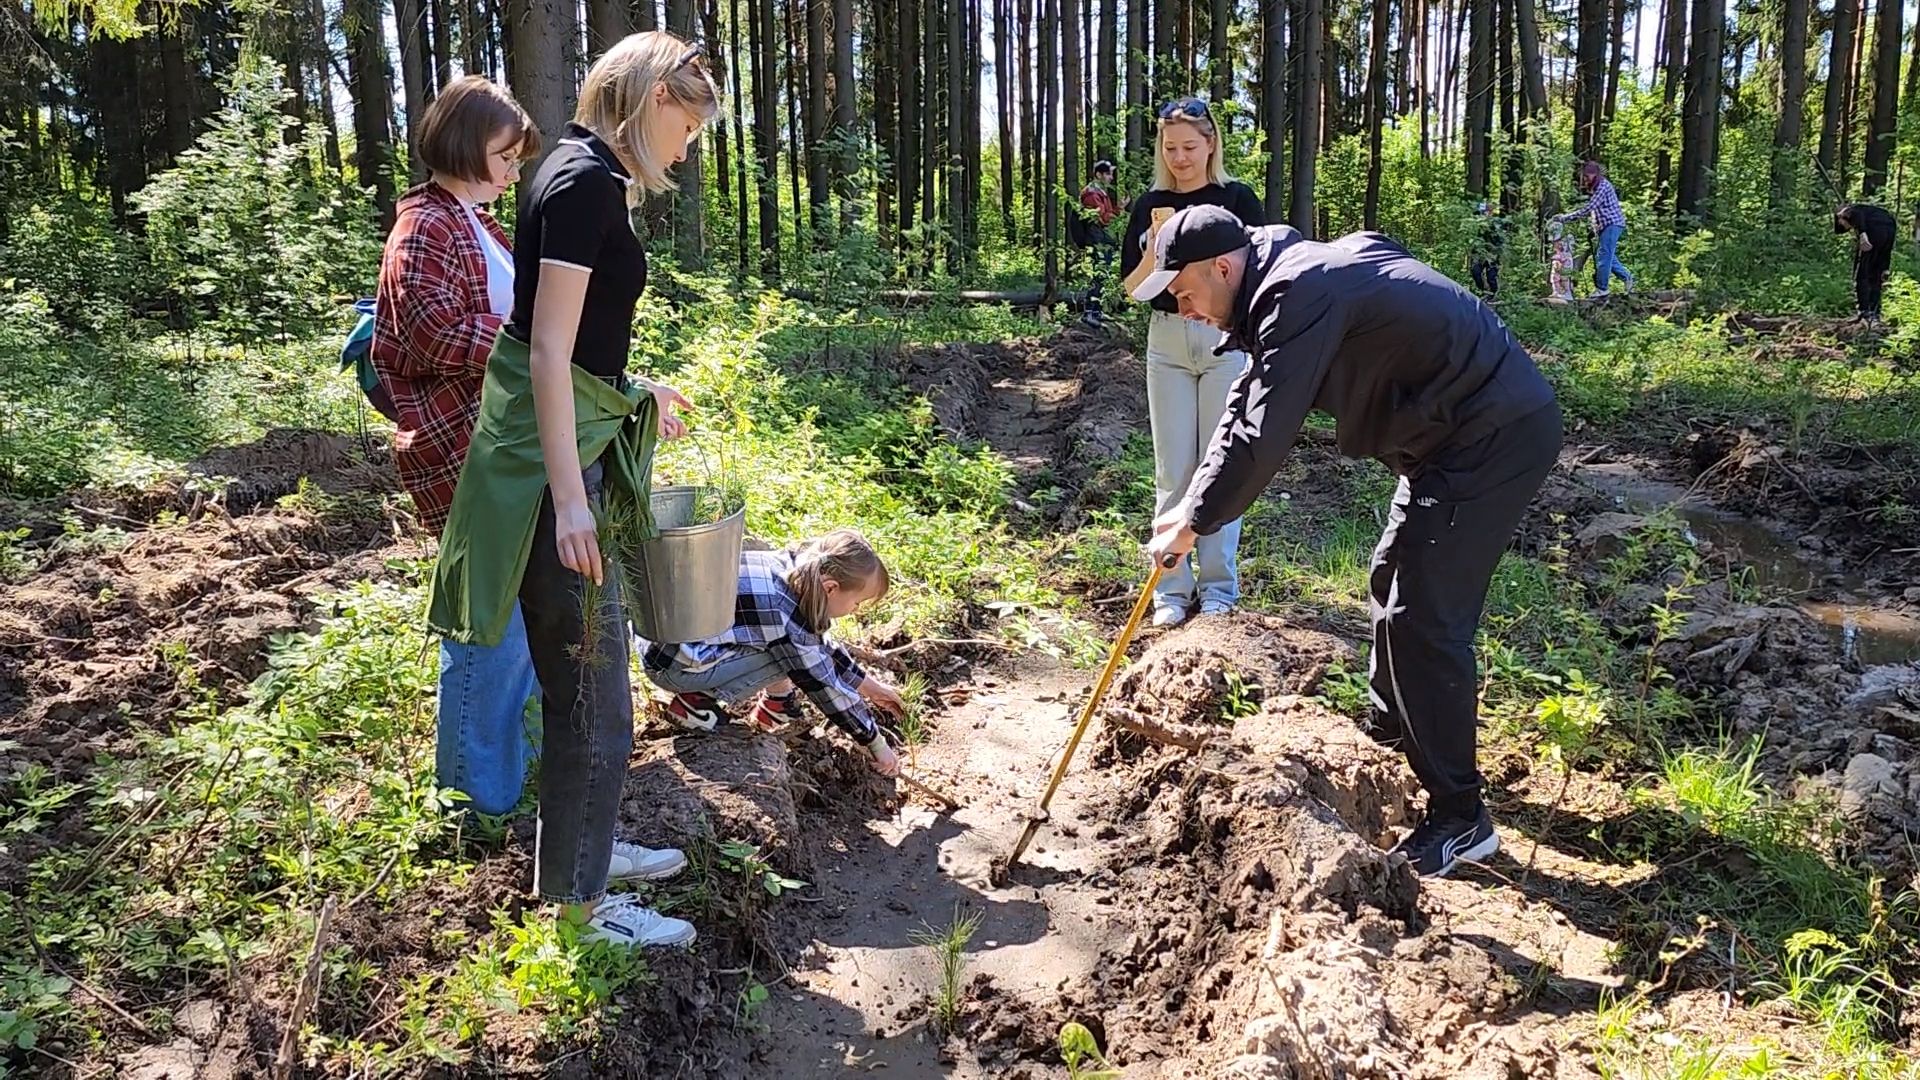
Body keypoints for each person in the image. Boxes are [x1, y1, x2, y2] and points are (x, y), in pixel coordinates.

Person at [1135, 205, 1562, 878]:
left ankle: (1460, 817)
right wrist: (1193, 501)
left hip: (1491, 434)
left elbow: (1262, 435)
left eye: (1183, 292)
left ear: (1222, 267)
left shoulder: (1302, 291)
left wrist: (1197, 522)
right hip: (1449, 439)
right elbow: (1243, 405)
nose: (1183, 309)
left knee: (1422, 615)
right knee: (1391, 576)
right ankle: (1396, 737)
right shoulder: (1281, 281)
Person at [427, 31, 719, 949]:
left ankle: (582, 858)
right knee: (594, 697)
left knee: (584, 686)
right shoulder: (585, 178)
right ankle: (582, 915)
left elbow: (565, 342)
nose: (688, 147)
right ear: (649, 97)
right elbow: (545, 350)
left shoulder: (574, 169)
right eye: (687, 125)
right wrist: (573, 501)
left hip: (562, 451)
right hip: (549, 476)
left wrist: (634, 389)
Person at [371, 76, 544, 817]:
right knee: (489, 627)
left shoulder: (479, 223)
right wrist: (530, 351)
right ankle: (475, 802)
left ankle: (514, 780)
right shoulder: (426, 227)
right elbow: (430, 331)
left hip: (503, 452)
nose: (513, 171)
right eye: (505, 155)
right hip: (463, 452)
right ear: (467, 145)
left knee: (521, 625)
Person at [1118, 97, 1268, 628]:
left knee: (1219, 463)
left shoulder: (1236, 200)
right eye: (1170, 147)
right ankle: (1170, 591)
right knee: (1174, 469)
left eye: (1190, 147)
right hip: (1168, 341)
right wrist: (1154, 247)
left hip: (1223, 337)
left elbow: (1257, 272)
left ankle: (1221, 588)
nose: (1180, 158)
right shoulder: (1149, 203)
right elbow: (1134, 289)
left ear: (1211, 145)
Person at [644, 529, 906, 776]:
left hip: (660, 639)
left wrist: (869, 687)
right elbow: (824, 685)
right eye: (857, 602)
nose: (856, 610)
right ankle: (696, 701)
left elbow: (818, 644)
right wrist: (875, 743)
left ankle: (776, 704)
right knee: (790, 658)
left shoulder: (787, 567)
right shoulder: (784, 616)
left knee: (787, 647)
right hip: (673, 666)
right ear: (830, 588)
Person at [1555, 161, 1632, 296]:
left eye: (1588, 176)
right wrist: (1594, 228)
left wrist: (1566, 217)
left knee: (1603, 256)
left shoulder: (1602, 186)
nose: (1585, 179)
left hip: (1612, 224)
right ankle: (1627, 278)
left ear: (1595, 175)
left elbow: (1589, 208)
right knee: (1609, 256)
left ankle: (1602, 289)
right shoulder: (1596, 187)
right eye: (1584, 176)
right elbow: (1596, 211)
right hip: (1605, 226)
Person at [1077, 160, 1126, 323]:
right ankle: (1089, 313)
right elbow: (1103, 218)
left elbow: (1108, 214)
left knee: (1103, 274)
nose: (1111, 177)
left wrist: (1118, 209)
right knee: (1097, 275)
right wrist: (1118, 210)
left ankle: (1096, 312)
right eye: (1108, 174)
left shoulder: (1100, 192)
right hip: (1096, 239)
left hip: (1102, 239)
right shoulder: (1092, 194)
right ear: (1099, 175)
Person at [1835, 202, 1896, 324]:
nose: (1848, 229)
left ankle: (1864, 312)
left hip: (1873, 233)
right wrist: (1885, 267)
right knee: (1876, 275)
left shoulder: (1849, 211)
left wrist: (1863, 235)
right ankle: (1875, 313)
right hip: (1889, 230)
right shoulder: (1875, 213)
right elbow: (1888, 248)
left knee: (1861, 274)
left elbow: (1856, 214)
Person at [1467, 201, 1505, 298]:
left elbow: (1500, 240)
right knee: (1476, 272)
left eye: (1487, 212)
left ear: (1491, 212)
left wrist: (1496, 252)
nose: (1485, 214)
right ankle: (1481, 291)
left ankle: (1492, 295)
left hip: (1492, 254)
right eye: (1483, 212)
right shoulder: (1475, 224)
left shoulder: (1496, 224)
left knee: (1491, 276)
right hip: (1478, 253)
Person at [1546, 220, 1577, 303]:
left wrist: (1560, 260)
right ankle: (1556, 291)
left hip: (1565, 261)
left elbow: (1566, 252)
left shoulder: (1566, 239)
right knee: (1554, 276)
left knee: (1564, 277)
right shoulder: (1557, 241)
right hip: (1558, 259)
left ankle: (1567, 292)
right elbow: (1557, 250)